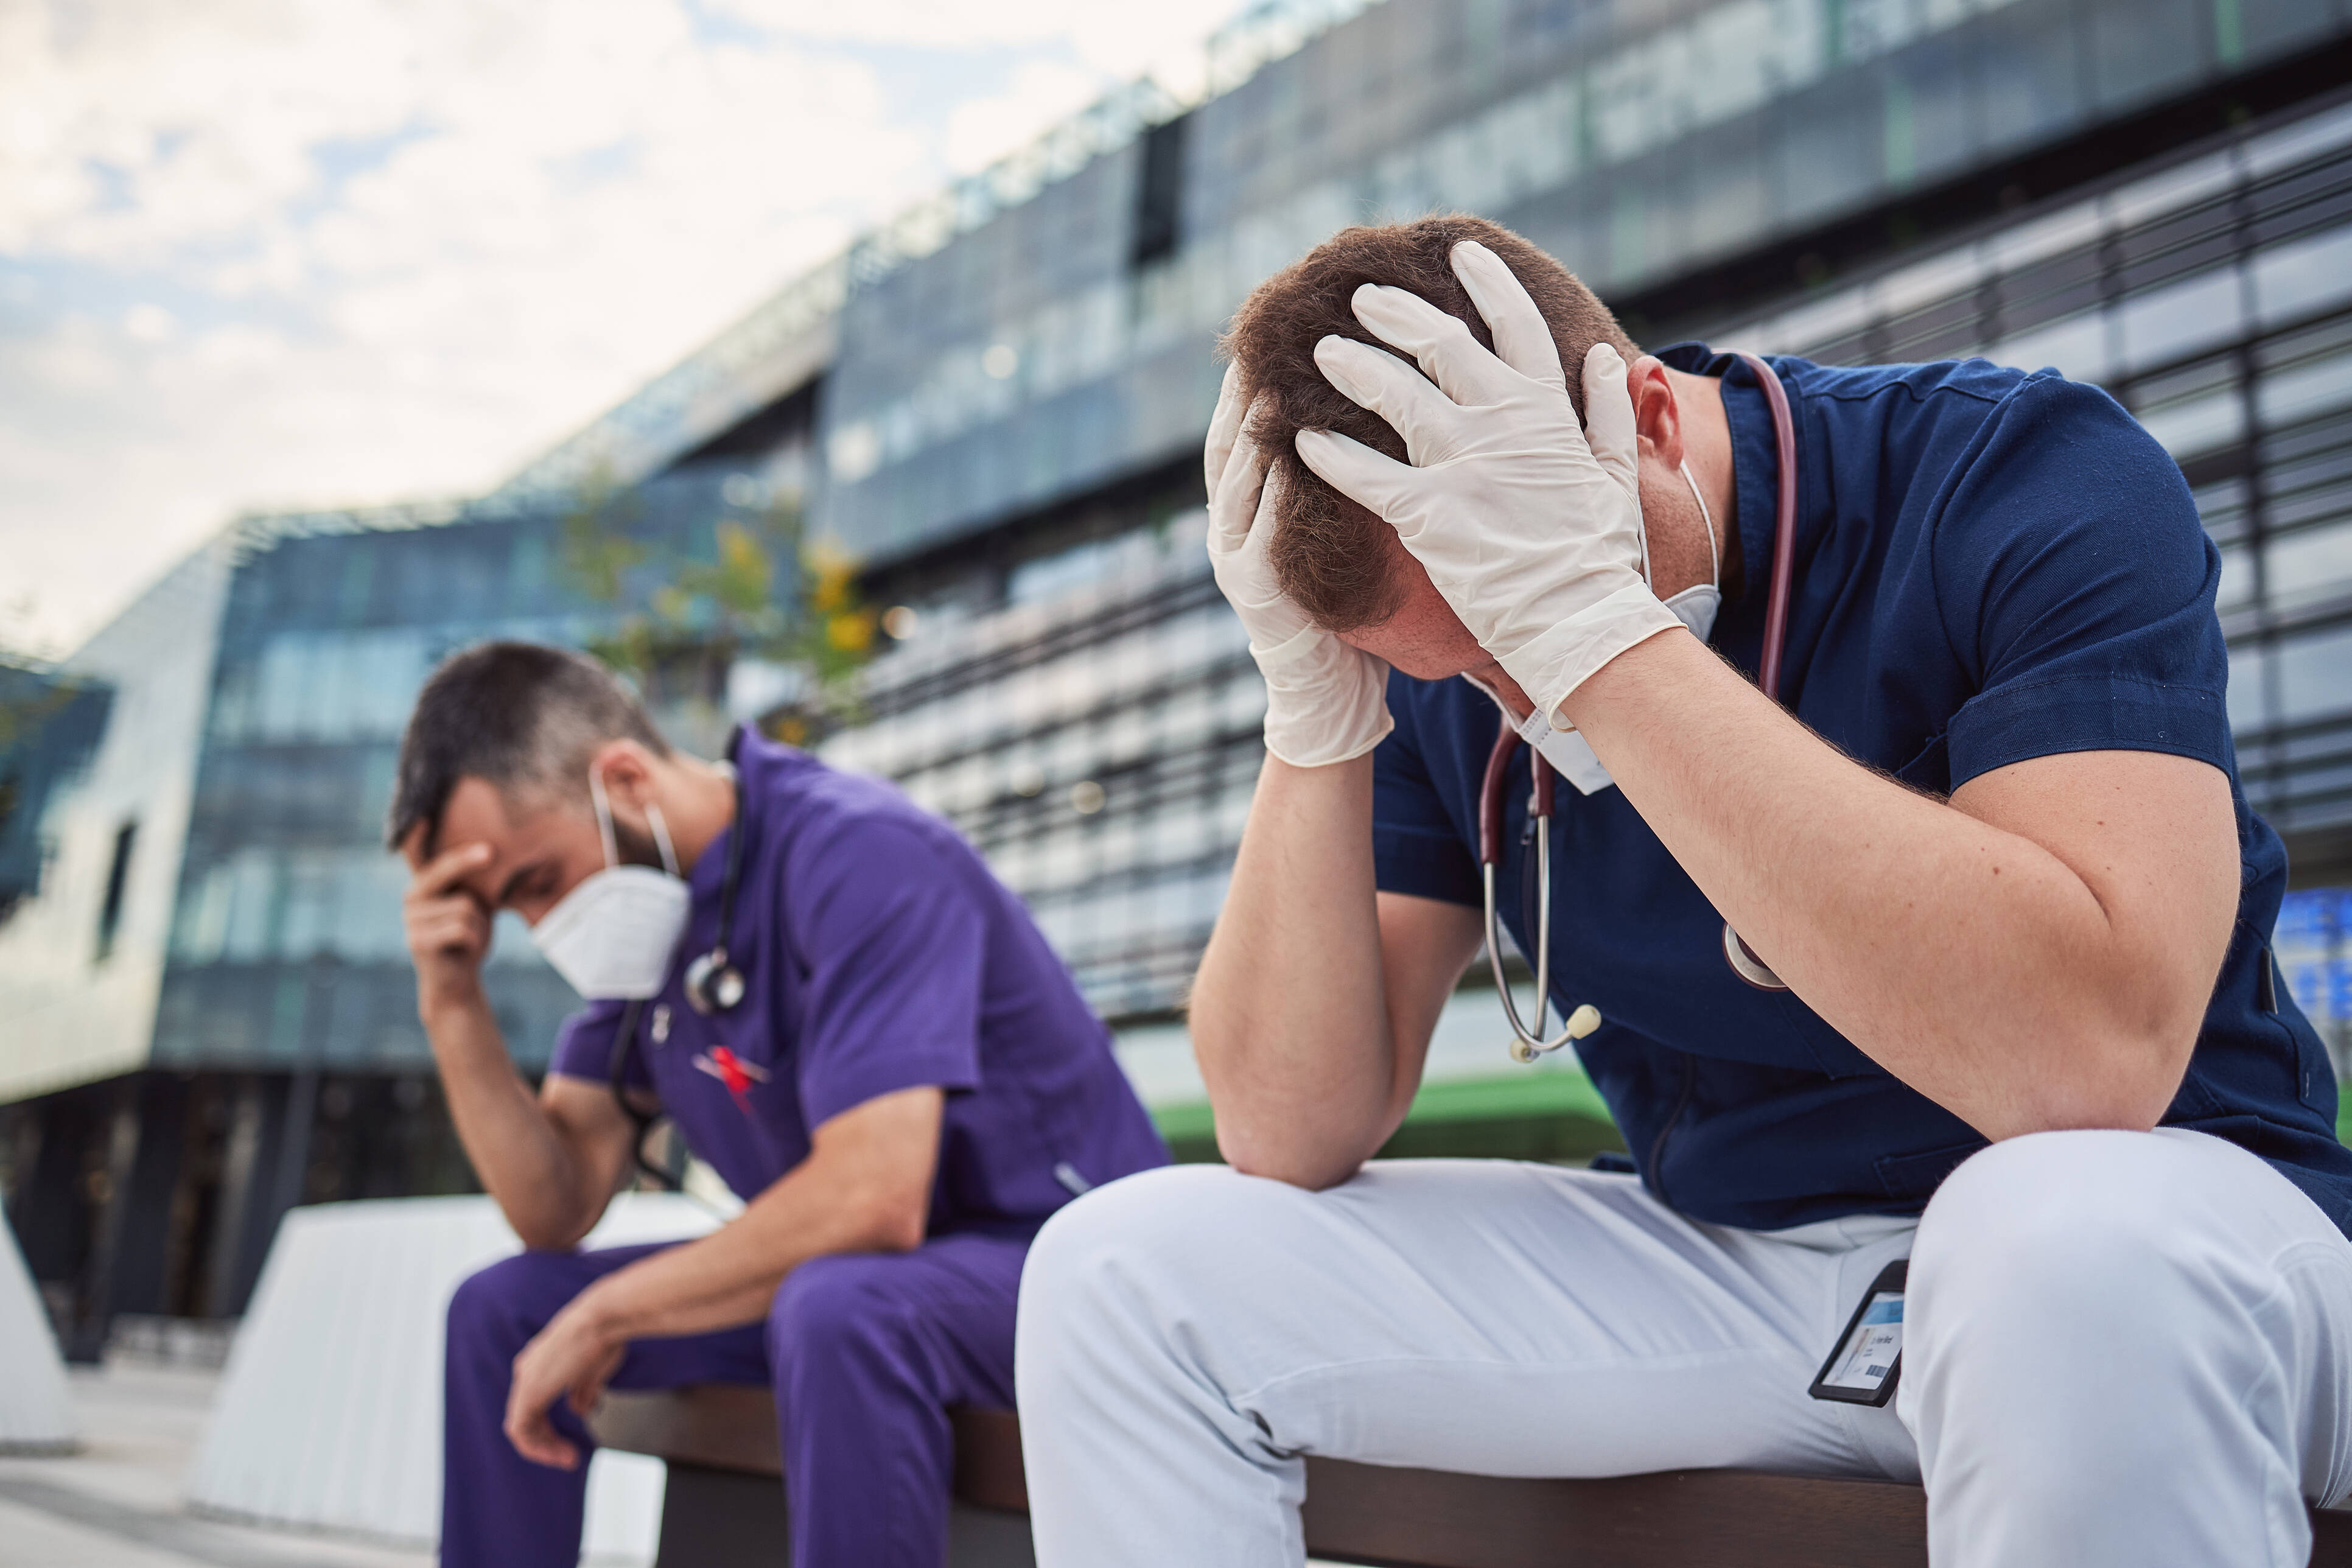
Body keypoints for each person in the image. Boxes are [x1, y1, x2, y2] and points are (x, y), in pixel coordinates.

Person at [1015, 215, 2352, 1567]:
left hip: (2167, 1232)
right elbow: (1286, 1126)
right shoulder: (1437, 668)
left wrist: (1591, 626)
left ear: (1647, 414)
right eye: (1468, 668)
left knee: (2059, 1253)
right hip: (1738, 1258)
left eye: (1513, 641)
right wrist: (1313, 722)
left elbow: (2090, 1064)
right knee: (1122, 1270)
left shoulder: (2011, 470)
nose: (1519, 698)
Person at [388, 642, 1166, 1568]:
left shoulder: (860, 854)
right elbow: (552, 1208)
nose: (540, 928)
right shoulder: (655, 937)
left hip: (1067, 1274)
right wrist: (451, 1001)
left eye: (538, 885)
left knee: (840, 1303)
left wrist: (609, 1315)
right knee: (503, 1312)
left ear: (625, 780)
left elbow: (871, 1202)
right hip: (869, 1288)